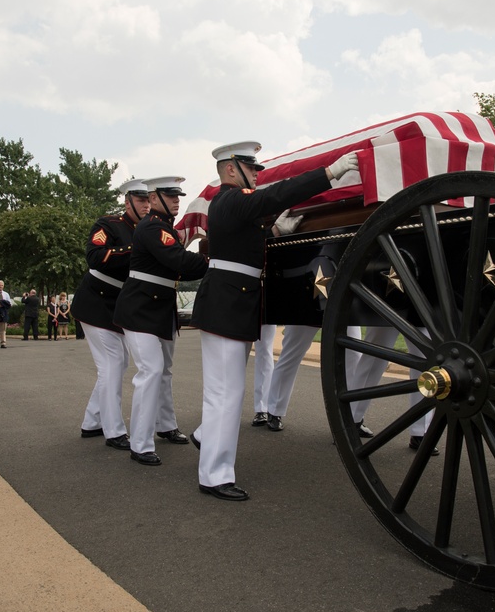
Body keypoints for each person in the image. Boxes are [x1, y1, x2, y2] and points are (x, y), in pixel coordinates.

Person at [190, 141, 358, 501]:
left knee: (225, 388)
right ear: (231, 169)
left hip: (231, 303)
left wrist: (277, 233)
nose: (257, 174)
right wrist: (330, 173)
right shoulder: (230, 199)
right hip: (226, 304)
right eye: (252, 168)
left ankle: (207, 436)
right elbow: (277, 195)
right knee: (226, 391)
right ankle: (214, 475)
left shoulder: (234, 207)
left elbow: (246, 243)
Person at [112, 176, 209, 467]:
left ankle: (165, 426)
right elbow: (179, 262)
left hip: (158, 309)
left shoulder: (163, 227)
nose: (177, 200)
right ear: (154, 199)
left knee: (163, 371)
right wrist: (211, 260)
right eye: (170, 195)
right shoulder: (153, 227)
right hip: (140, 309)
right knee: (151, 371)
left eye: (178, 195)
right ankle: (140, 444)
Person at [74, 179, 150, 450]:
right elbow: (95, 256)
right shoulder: (108, 224)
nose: (146, 205)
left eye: (149, 200)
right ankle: (114, 431)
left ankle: (92, 421)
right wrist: (135, 249)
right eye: (141, 200)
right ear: (127, 202)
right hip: (96, 300)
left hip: (118, 304)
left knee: (115, 364)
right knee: (113, 364)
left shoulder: (147, 229)